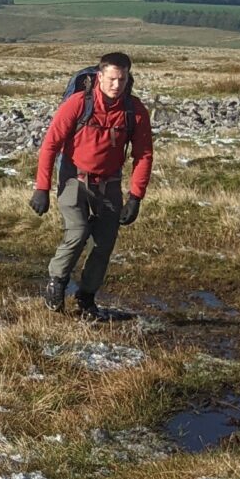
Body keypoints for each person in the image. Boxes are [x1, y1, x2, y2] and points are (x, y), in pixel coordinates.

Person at [31, 51, 153, 319]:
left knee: (104, 245)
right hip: (74, 178)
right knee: (78, 231)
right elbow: (50, 145)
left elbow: (143, 154)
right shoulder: (77, 104)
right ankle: (57, 282)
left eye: (122, 79)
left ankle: (85, 298)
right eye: (111, 79)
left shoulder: (135, 111)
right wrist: (42, 187)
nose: (116, 85)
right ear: (100, 77)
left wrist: (136, 197)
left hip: (109, 184)